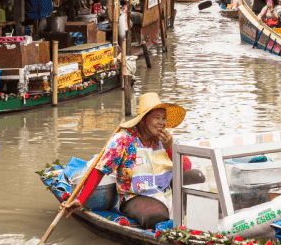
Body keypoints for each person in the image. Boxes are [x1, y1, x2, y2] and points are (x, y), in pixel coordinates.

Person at [61, 93, 205, 228]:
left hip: (166, 187)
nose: (162, 123)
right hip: (136, 195)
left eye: (164, 118)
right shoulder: (124, 140)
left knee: (196, 175)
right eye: (156, 118)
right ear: (143, 120)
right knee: (156, 216)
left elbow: (186, 166)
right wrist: (82, 199)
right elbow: (100, 170)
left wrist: (170, 148)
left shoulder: (165, 138)